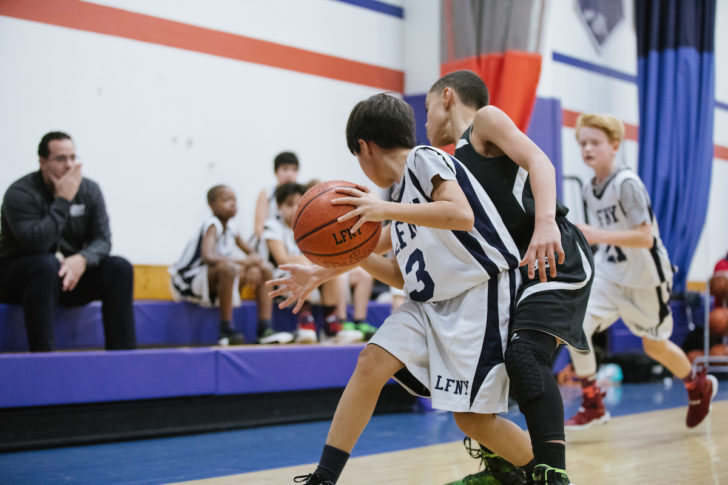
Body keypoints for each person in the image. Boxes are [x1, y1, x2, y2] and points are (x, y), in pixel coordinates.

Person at [269, 93, 537, 485]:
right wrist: (322, 270)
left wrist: (383, 213)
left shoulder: (423, 159)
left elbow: (460, 215)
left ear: (365, 147)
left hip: (479, 297)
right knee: (371, 362)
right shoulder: (399, 199)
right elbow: (400, 274)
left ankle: (544, 476)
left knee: (473, 421)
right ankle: (324, 478)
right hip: (430, 303)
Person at [426, 70, 594, 485]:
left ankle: (551, 474)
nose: (424, 120)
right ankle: (505, 469)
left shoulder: (484, 120)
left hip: (555, 252)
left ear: (447, 97)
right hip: (515, 271)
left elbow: (540, 160)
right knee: (486, 378)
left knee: (525, 356)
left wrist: (545, 222)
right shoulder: (447, 167)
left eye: (426, 107)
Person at [566, 113, 717, 430]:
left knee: (654, 346)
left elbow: (645, 237)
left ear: (614, 146)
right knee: (574, 326)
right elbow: (601, 236)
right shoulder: (589, 189)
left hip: (645, 277)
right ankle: (593, 403)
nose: (587, 149)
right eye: (583, 143)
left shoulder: (627, 184)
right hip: (611, 273)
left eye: (595, 142)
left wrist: (598, 235)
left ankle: (697, 385)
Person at [0, 131, 136, 352]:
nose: (69, 165)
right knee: (45, 264)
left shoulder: (89, 189)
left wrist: (83, 259)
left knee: (119, 267)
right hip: (22, 279)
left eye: (73, 158)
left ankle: (123, 360)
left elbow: (102, 240)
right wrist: (63, 200)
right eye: (61, 159)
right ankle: (44, 359)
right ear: (43, 162)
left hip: (67, 277)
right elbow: (36, 244)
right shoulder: (20, 193)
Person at [170, 185, 290, 345]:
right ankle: (225, 330)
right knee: (229, 268)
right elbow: (208, 257)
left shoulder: (232, 226)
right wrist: (244, 262)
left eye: (234, 200)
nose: (233, 204)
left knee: (265, 268)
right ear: (212, 205)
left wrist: (253, 266)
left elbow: (253, 254)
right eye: (226, 200)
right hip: (188, 279)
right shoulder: (212, 224)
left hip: (214, 276)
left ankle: (264, 328)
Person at [263, 182, 362, 344]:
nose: (295, 208)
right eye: (289, 204)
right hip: (281, 275)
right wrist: (308, 261)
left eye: (298, 204)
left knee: (332, 269)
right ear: (279, 206)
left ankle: (331, 324)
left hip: (312, 270)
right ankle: (305, 322)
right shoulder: (272, 225)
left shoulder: (312, 224)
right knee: (305, 266)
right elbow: (282, 259)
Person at [253, 151, 300, 245]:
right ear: (275, 172)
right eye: (285, 169)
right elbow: (258, 229)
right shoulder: (266, 193)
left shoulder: (301, 193)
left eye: (294, 169)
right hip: (271, 245)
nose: (289, 174)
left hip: (295, 246)